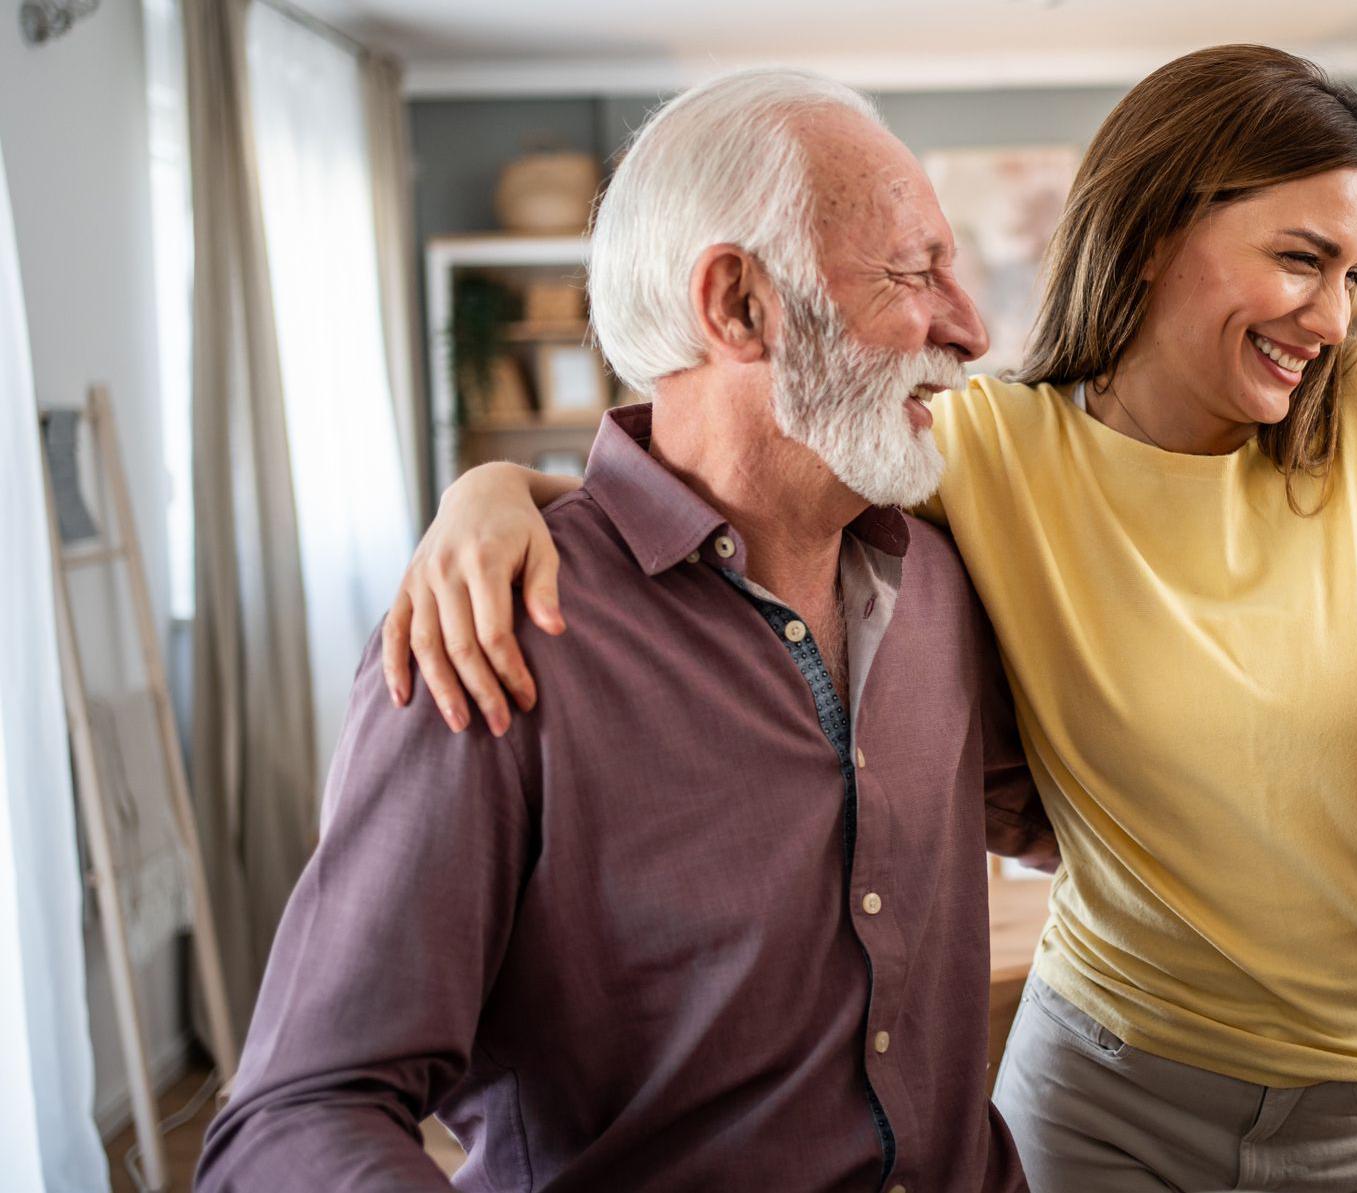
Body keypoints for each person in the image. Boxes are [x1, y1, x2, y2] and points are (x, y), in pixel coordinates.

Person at [386, 46, 1357, 1189]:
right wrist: (496, 491)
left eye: (1354, 272)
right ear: (1157, 229)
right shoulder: (988, 447)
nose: (1333, 317)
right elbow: (730, 460)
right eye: (1299, 259)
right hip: (1102, 1084)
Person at [197, 71, 1046, 1193]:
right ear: (739, 304)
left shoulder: (937, 578)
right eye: (913, 272)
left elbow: (1072, 822)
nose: (972, 329)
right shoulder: (498, 635)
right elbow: (299, 1115)